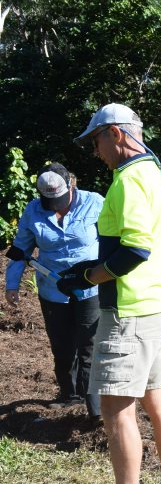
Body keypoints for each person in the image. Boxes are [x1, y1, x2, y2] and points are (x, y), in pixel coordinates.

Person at [60, 104, 161, 484]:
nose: (95, 152)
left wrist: (88, 276)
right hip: (160, 308)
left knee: (117, 410)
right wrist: (92, 268)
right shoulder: (156, 175)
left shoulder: (130, 180)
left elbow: (134, 250)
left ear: (115, 134)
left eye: (95, 141)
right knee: (159, 400)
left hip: (130, 314)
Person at [4, 163, 104, 421]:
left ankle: (93, 404)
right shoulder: (33, 210)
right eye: (50, 201)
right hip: (53, 288)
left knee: (89, 343)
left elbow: (111, 240)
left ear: (71, 185)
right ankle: (69, 395)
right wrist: (12, 285)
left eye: (59, 199)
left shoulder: (94, 202)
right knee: (62, 345)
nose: (56, 205)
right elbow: (20, 250)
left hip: (89, 286)